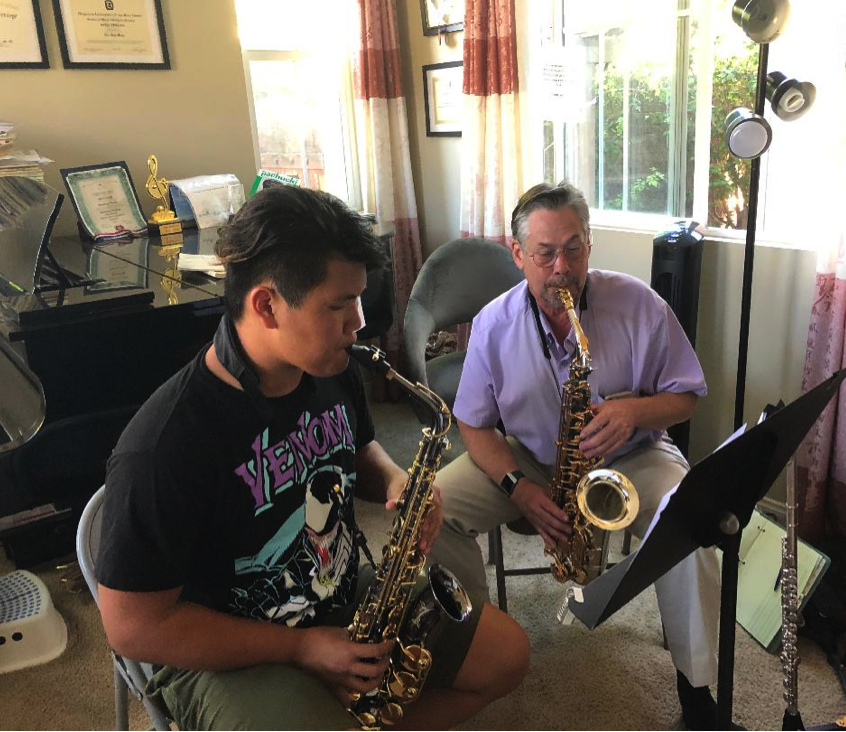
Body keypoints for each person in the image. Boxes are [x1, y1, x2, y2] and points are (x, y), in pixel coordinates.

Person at [95, 186, 529, 731]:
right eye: (339, 305)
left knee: (507, 657)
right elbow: (133, 628)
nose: (359, 322)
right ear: (266, 305)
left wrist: (395, 481)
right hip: (223, 651)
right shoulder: (164, 444)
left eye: (359, 299)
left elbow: (359, 449)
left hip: (336, 592)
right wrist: (301, 648)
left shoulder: (329, 365)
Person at [427, 181, 732, 731]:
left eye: (573, 249)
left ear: (590, 245)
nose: (561, 268)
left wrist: (634, 412)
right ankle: (471, 641)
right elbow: (473, 422)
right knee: (434, 506)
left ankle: (696, 688)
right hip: (529, 456)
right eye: (544, 253)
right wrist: (518, 486)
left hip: (632, 456)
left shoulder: (639, 304)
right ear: (518, 254)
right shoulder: (493, 324)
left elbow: (686, 396)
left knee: (692, 519)